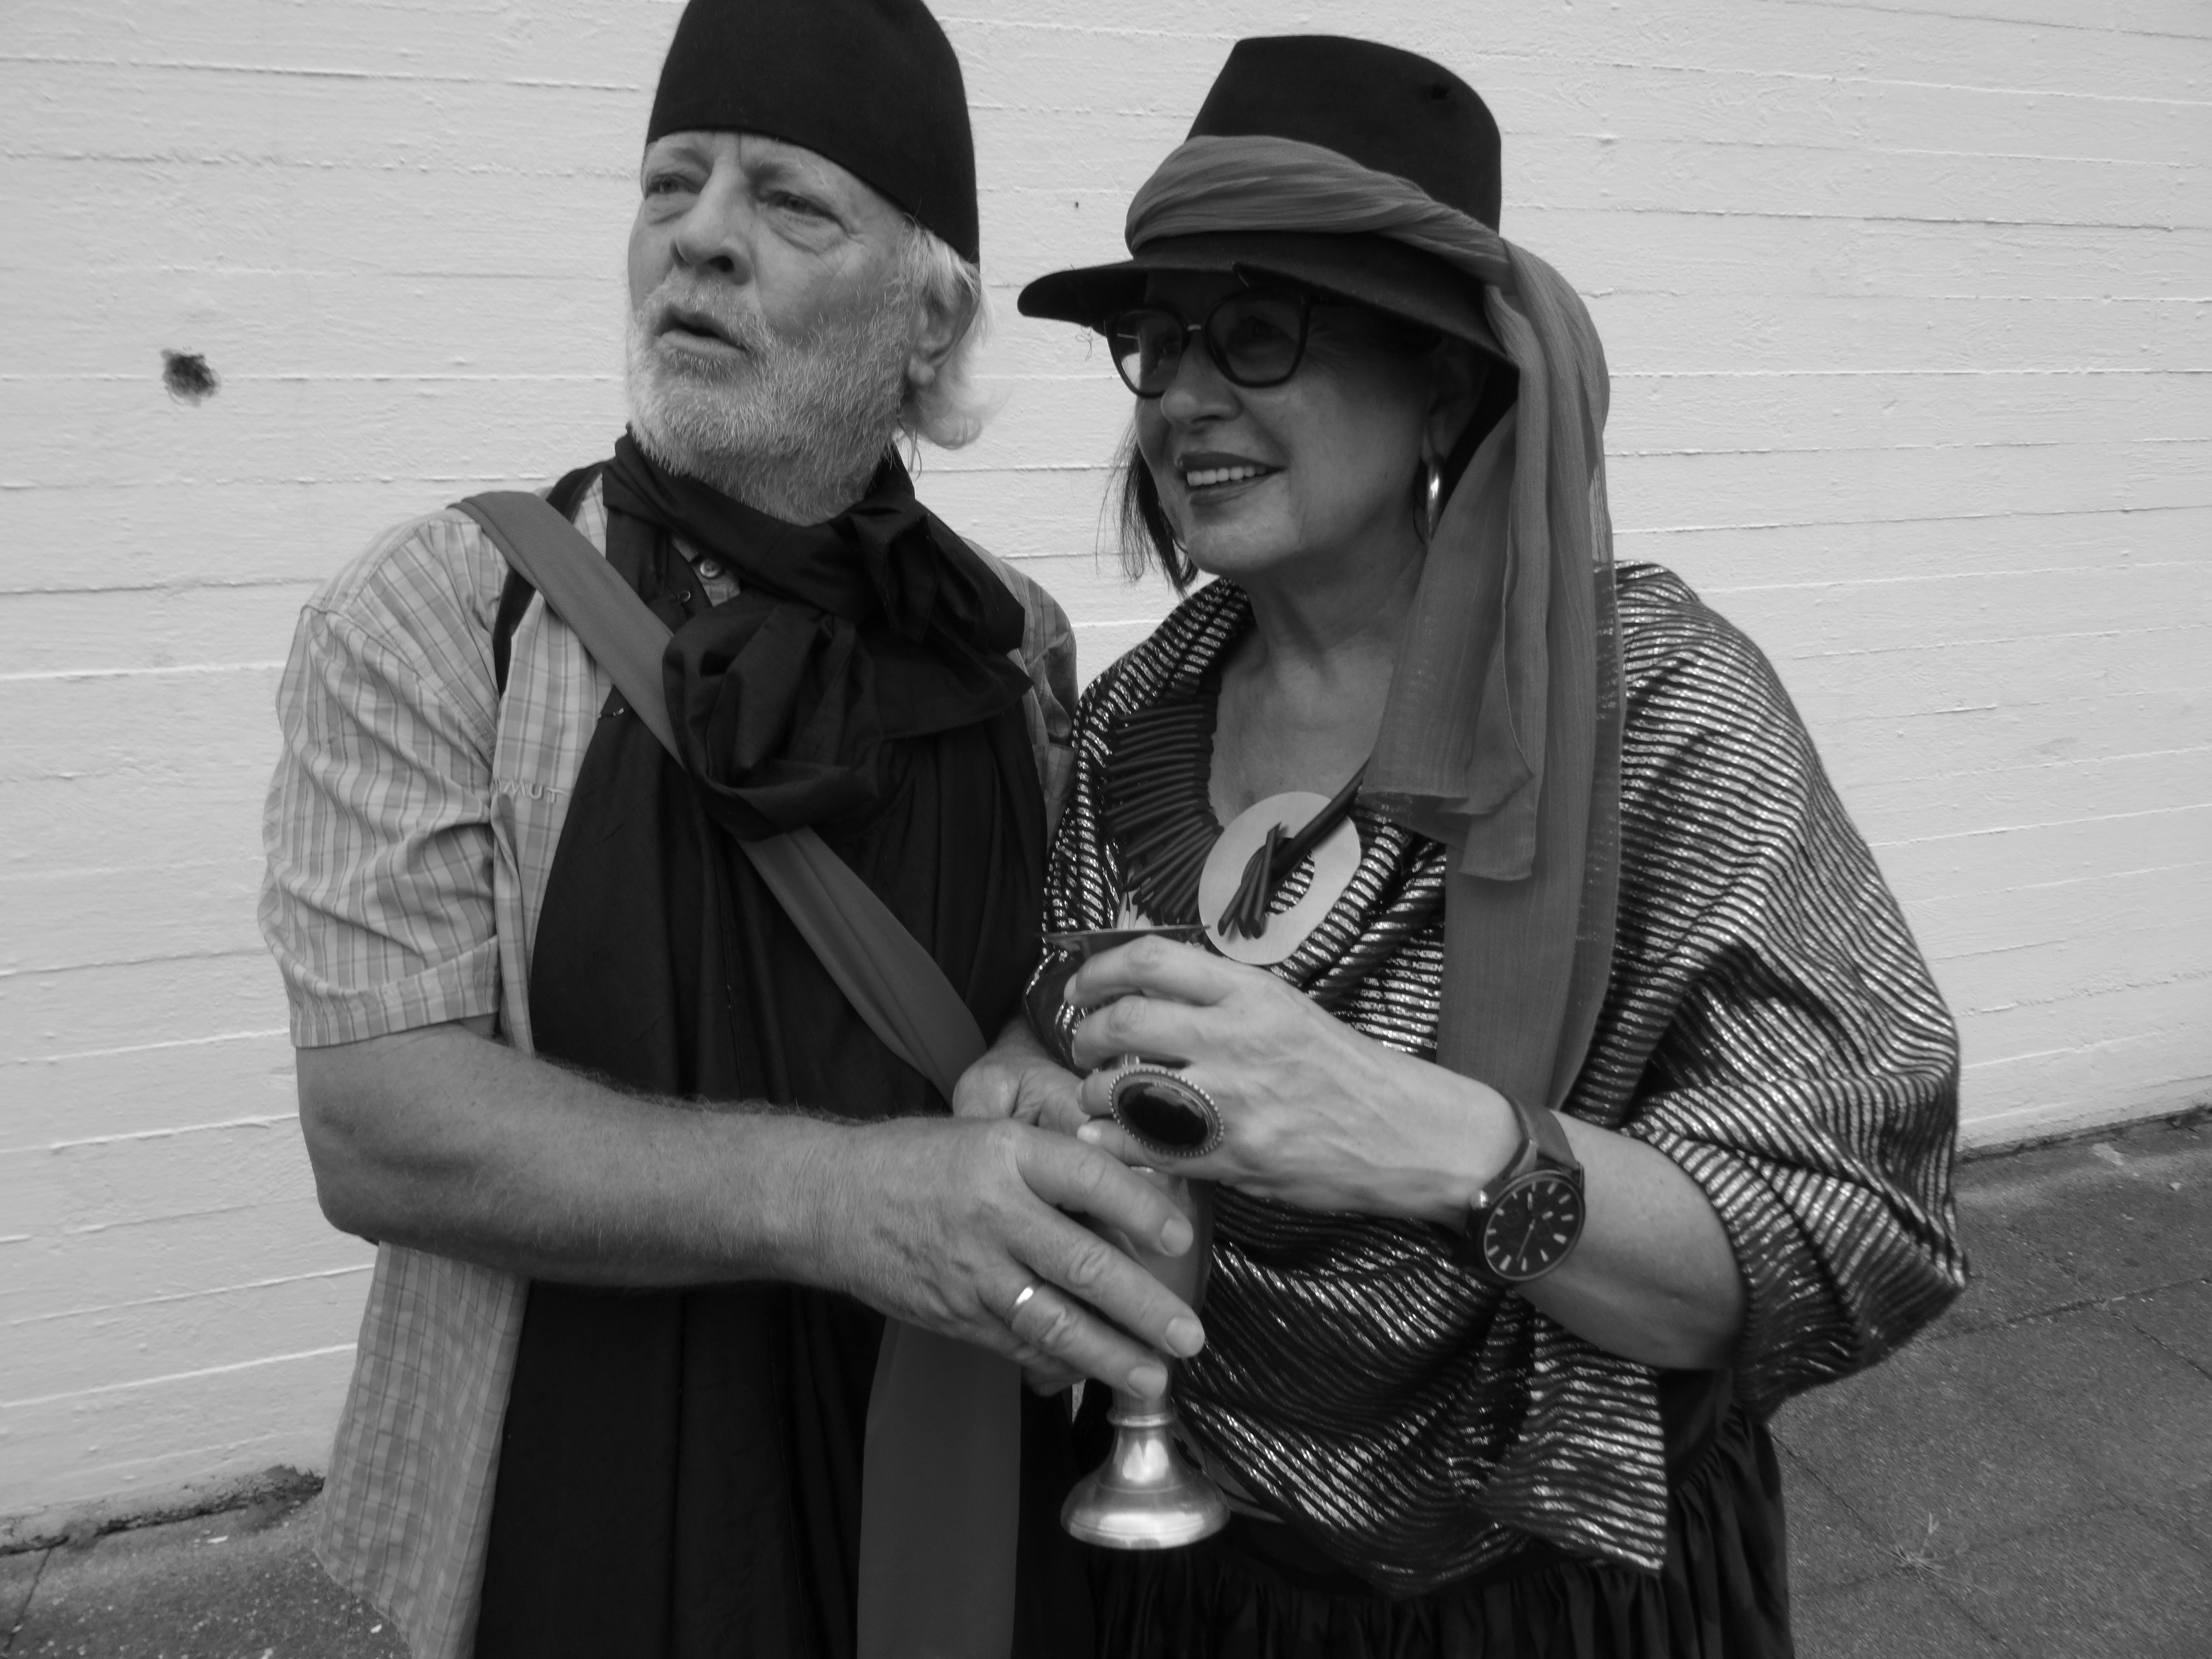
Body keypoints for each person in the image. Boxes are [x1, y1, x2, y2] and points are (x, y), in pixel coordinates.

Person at [959, 35, 1967, 1656]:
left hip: (1552, 1598)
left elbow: (1863, 1223)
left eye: (1260, 331)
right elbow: (1079, 1012)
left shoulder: (1655, 712)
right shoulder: (1136, 715)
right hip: (1195, 1576)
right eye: (1162, 340)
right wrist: (1024, 1083)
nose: (1189, 394)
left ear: (1443, 382)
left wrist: (1444, 1144)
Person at [257, 3, 1202, 1655]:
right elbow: (379, 1127)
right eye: (670, 185)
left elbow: (1045, 988)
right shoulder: (441, 614)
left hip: (950, 1456)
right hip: (578, 1495)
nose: (698, 237)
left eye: (790, 202)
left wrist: (1039, 1059)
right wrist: (845, 1200)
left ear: (929, 316)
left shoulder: (1018, 649)